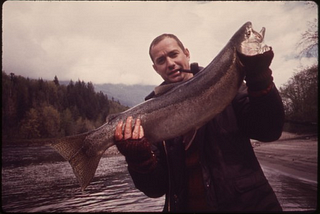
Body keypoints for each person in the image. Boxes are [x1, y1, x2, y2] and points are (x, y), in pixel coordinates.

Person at [114, 33, 285, 212]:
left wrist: (259, 79)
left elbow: (269, 130)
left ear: (186, 53)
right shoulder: (149, 116)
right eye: (161, 60)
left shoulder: (227, 84)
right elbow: (156, 189)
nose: (170, 63)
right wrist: (139, 159)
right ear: (155, 68)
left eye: (174, 54)